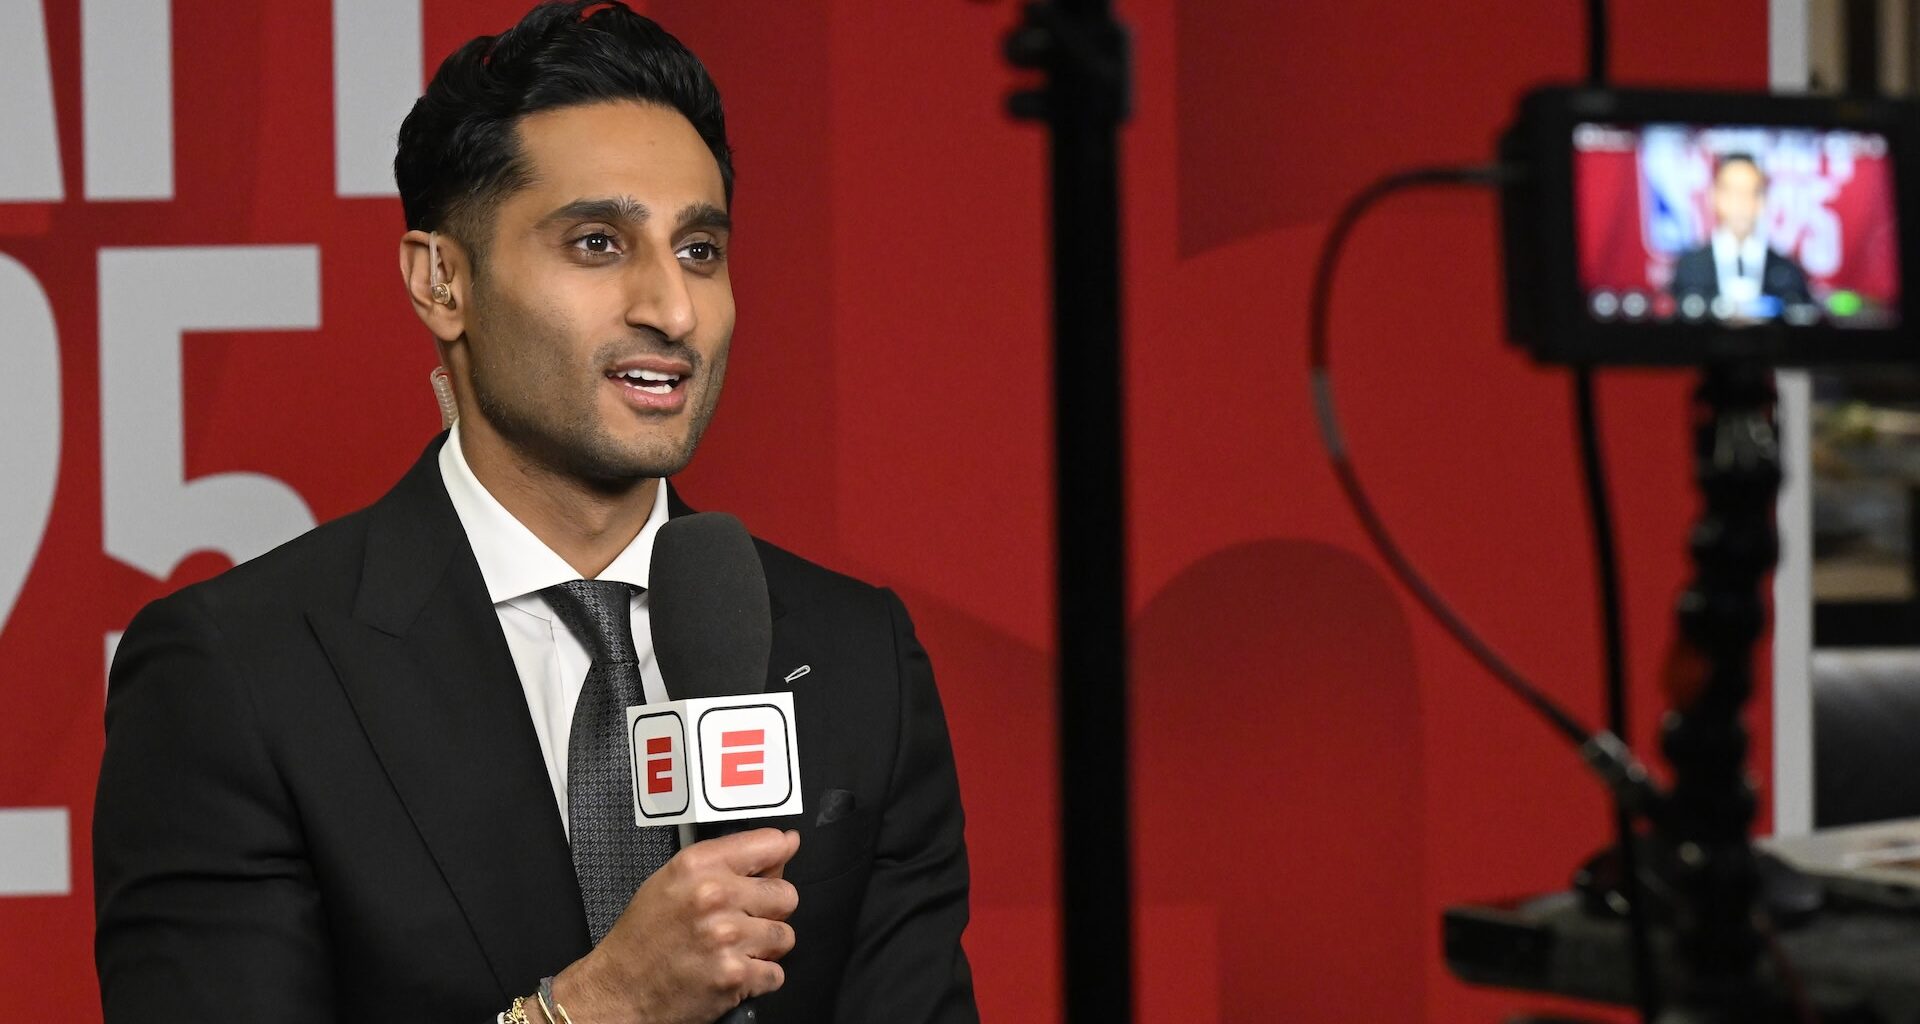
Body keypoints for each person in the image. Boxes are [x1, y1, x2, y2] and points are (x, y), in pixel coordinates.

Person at [91, 4, 978, 1022]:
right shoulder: (241, 677)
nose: (675, 310)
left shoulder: (857, 656)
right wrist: (591, 1009)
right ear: (442, 282)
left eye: (699, 250)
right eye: (599, 243)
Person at [1668, 152, 1814, 320]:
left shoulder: (1788, 272)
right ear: (1714, 196)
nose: (1740, 202)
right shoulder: (1689, 267)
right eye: (1731, 191)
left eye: (1750, 192)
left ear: (1763, 200)